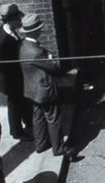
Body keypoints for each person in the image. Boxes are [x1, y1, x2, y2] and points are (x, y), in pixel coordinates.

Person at [18, 13, 70, 157]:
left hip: (32, 90)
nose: (41, 30)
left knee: (38, 116)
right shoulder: (36, 52)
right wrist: (52, 58)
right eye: (39, 28)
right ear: (34, 31)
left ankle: (41, 145)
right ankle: (58, 148)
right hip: (44, 89)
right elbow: (55, 67)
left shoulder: (24, 46)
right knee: (53, 117)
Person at [0, 3, 29, 141]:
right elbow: (5, 64)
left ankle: (23, 127)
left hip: (12, 77)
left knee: (17, 103)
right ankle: (17, 132)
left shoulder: (7, 30)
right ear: (10, 20)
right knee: (15, 105)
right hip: (10, 79)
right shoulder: (4, 39)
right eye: (18, 19)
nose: (20, 22)